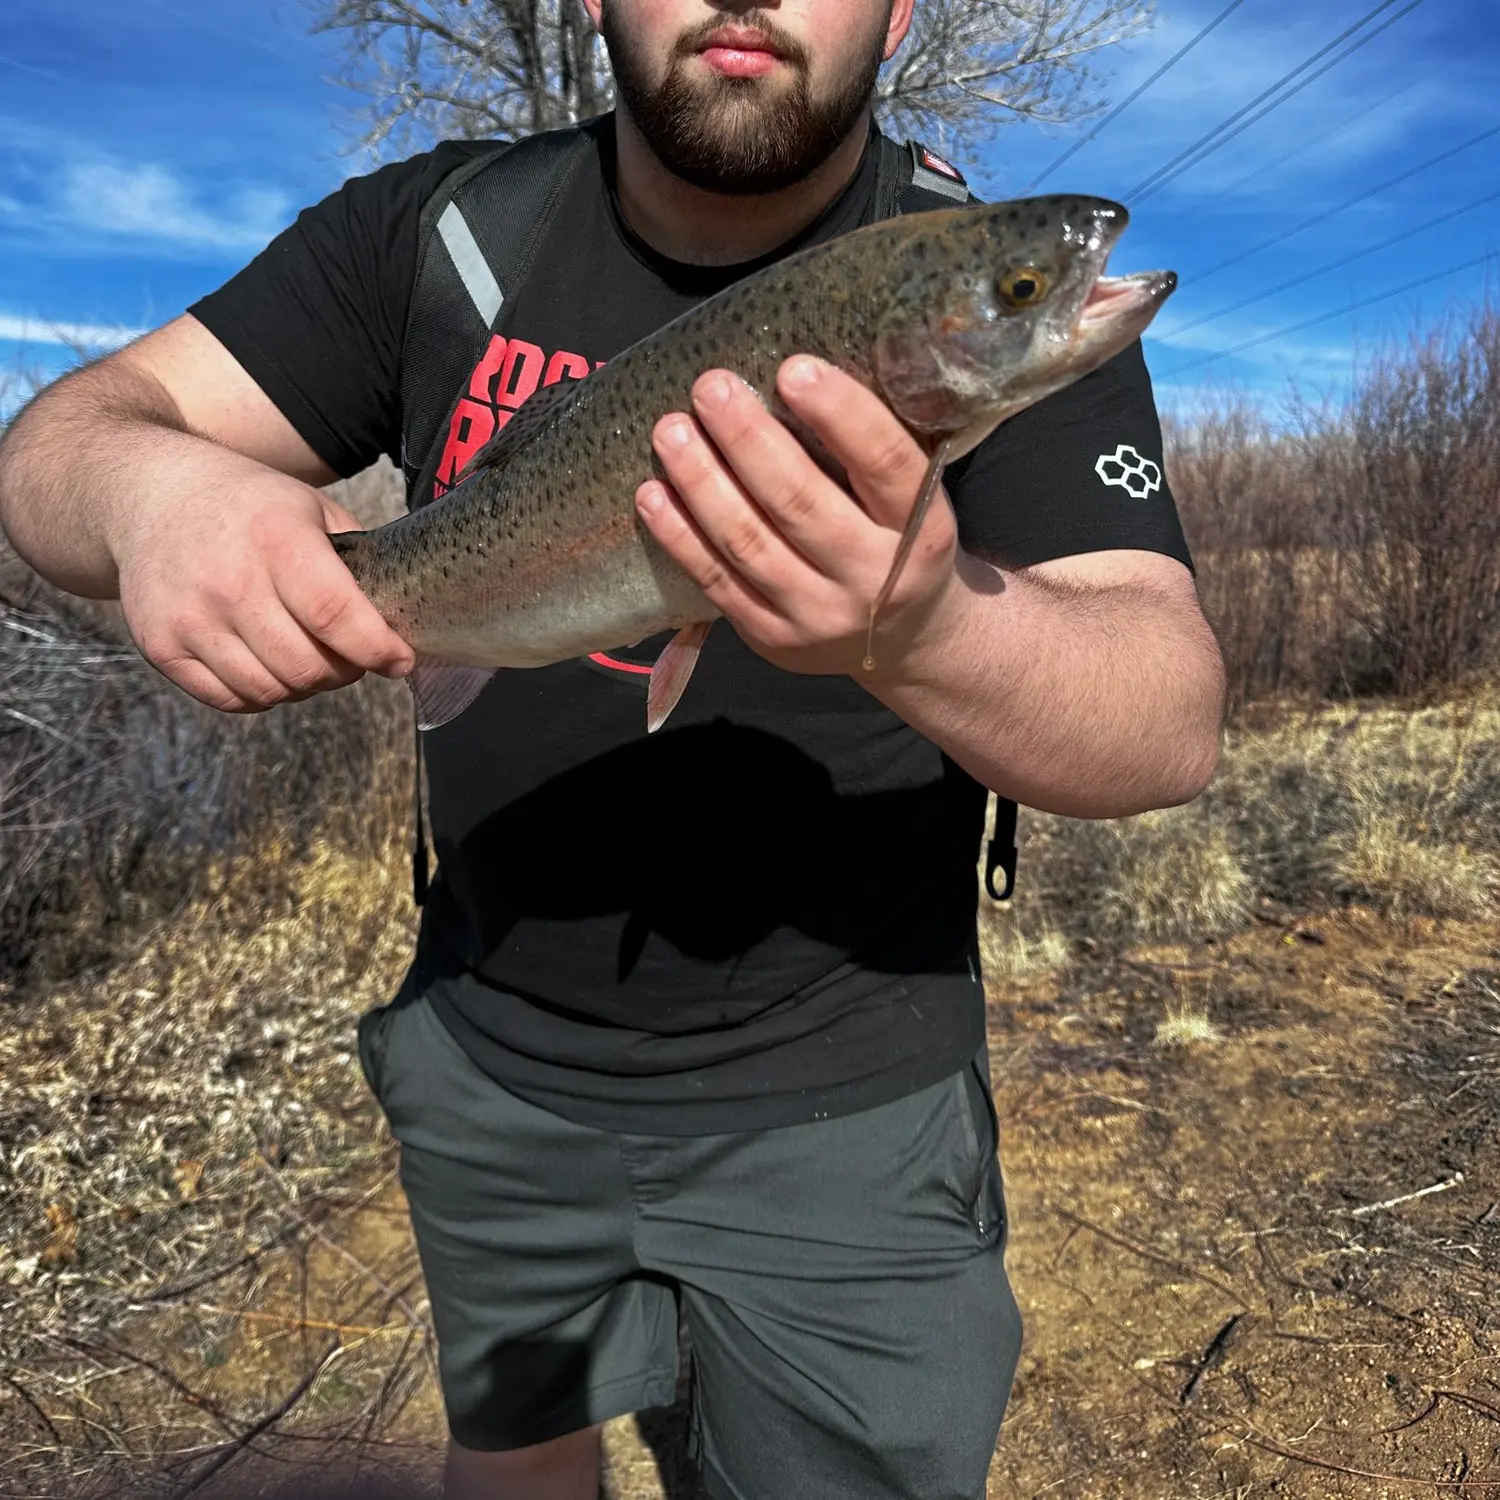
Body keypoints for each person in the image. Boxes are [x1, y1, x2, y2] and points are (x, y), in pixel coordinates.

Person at [0, 0, 1226, 1494]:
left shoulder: (961, 259)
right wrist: (154, 498)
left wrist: (926, 628)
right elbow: (58, 445)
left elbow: (1167, 722)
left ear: (903, 9)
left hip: (858, 1105)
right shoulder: (439, 228)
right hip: (486, 1057)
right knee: (513, 1467)